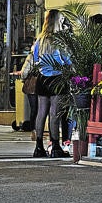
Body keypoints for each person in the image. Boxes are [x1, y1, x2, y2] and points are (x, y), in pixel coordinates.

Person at [31, 9, 73, 158]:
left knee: (41, 114)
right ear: (57, 22)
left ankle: (38, 147)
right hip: (57, 79)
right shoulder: (58, 40)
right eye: (61, 20)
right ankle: (55, 146)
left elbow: (35, 58)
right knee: (54, 114)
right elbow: (67, 60)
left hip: (42, 79)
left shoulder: (40, 40)